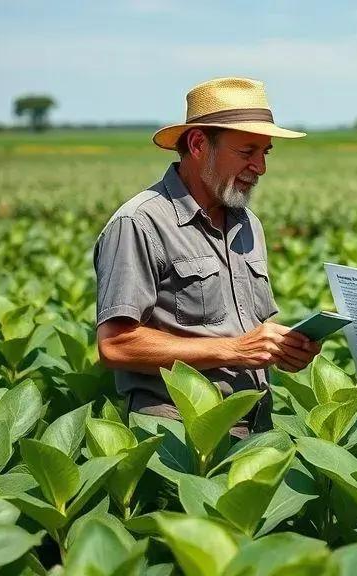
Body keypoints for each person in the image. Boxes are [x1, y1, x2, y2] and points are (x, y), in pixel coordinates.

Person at [93, 77, 319, 437]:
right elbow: (116, 346)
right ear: (198, 144)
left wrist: (284, 349)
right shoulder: (140, 223)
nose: (260, 167)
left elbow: (251, 330)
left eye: (265, 153)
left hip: (255, 430)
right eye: (247, 152)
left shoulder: (247, 224)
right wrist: (233, 350)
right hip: (177, 437)